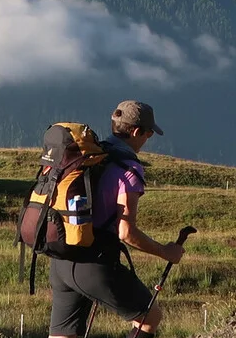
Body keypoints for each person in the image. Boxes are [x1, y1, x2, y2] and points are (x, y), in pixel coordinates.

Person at [49, 100, 187, 338]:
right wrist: (166, 252)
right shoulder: (128, 169)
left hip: (61, 257)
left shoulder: (89, 156)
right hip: (94, 263)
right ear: (135, 132)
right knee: (149, 317)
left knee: (64, 335)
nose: (148, 138)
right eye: (149, 133)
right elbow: (126, 232)